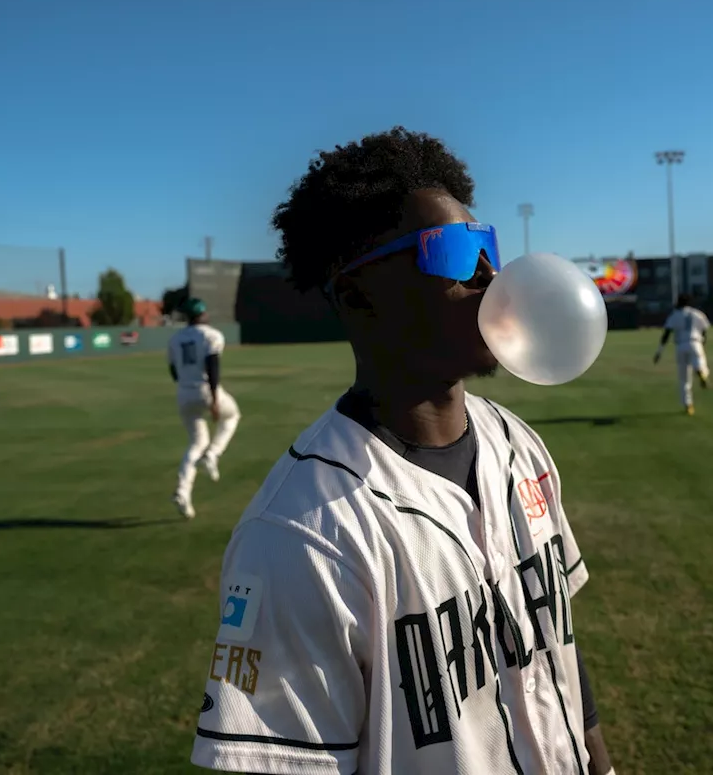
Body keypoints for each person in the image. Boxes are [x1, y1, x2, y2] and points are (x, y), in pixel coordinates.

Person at [190, 127, 617, 775]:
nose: (487, 272)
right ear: (360, 296)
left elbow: (556, 646)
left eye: (486, 243)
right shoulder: (301, 534)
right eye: (450, 249)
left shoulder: (520, 445)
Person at [167, 298, 241, 519]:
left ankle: (182, 492)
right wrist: (215, 400)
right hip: (206, 389)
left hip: (184, 392)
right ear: (202, 314)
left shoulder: (175, 338)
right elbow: (213, 367)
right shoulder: (212, 335)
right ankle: (213, 454)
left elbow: (173, 371)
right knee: (232, 416)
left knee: (196, 443)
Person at [654, 293, 711, 414]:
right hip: (695, 342)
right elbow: (705, 329)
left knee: (684, 379)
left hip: (680, 345)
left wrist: (659, 351)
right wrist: (703, 340)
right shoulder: (697, 313)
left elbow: (666, 334)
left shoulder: (675, 315)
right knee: (700, 362)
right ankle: (701, 373)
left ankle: (688, 405)